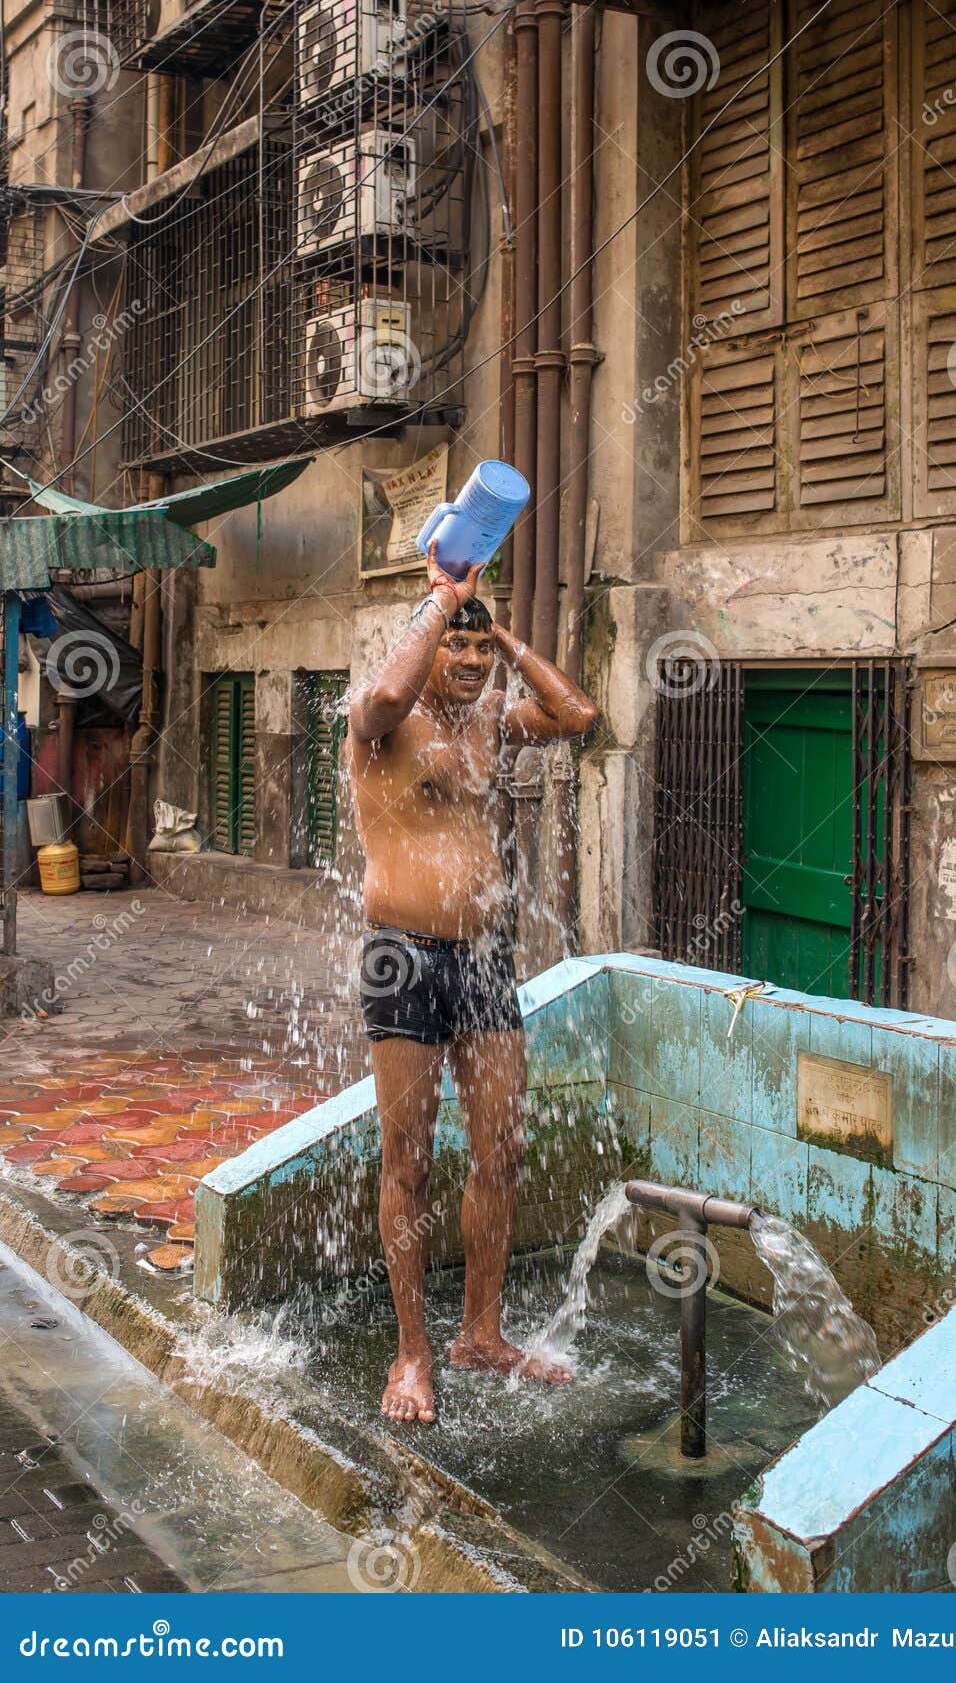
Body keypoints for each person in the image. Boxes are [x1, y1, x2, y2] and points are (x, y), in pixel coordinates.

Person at [348, 544, 598, 1424]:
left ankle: (480, 1335)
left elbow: (576, 713)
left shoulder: (494, 722)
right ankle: (412, 1353)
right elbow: (385, 693)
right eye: (452, 649)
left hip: (486, 958)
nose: (465, 664)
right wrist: (441, 599)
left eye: (476, 653)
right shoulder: (378, 724)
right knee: (408, 1158)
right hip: (402, 954)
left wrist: (507, 636)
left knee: (500, 1148)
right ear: (424, 646)